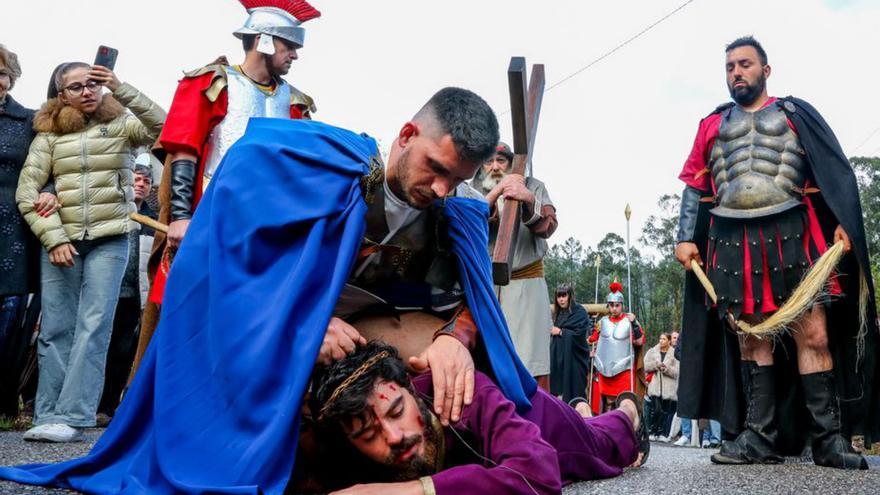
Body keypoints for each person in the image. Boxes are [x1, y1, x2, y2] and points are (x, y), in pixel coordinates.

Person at [0, 87, 535, 493]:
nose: (440, 189)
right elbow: (222, 250)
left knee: (480, 389)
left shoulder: (453, 212)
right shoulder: (319, 162)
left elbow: (474, 298)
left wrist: (453, 337)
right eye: (435, 169)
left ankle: (607, 422)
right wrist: (303, 321)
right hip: (276, 335)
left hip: (369, 337)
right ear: (405, 135)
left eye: (456, 178)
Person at [674, 36, 878, 469]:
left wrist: (843, 220)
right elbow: (695, 184)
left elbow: (833, 170)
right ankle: (757, 438)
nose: (736, 73)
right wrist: (684, 236)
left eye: (744, 64)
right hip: (731, 239)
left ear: (765, 70)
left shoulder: (795, 115)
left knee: (815, 334)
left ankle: (828, 439)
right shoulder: (712, 124)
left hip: (794, 232)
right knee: (752, 337)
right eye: (729, 66)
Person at [128, 0, 321, 382]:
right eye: (288, 45)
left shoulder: (295, 102)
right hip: (207, 222)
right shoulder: (210, 83)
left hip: (266, 232)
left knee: (248, 321)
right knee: (186, 314)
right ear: (264, 42)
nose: (295, 55)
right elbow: (184, 148)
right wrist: (181, 216)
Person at [14, 61, 165, 443]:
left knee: (94, 325)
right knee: (56, 326)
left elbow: (164, 126)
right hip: (62, 240)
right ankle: (46, 413)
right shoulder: (47, 136)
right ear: (61, 94)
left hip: (110, 237)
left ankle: (73, 415)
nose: (88, 91)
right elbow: (27, 194)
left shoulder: (122, 125)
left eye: (95, 84)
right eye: (77, 86)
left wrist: (122, 86)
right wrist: (54, 237)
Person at [312, 340, 647, 495]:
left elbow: (539, 475)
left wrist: (411, 492)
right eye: (369, 436)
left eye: (397, 411)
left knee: (605, 442)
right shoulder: (343, 452)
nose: (394, 436)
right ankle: (584, 410)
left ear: (412, 390)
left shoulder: (460, 391)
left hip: (544, 424)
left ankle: (626, 410)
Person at [474, 142, 558, 389]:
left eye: (501, 161)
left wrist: (529, 201)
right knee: (485, 360)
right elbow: (463, 222)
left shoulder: (534, 186)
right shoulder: (472, 189)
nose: (495, 167)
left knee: (530, 360)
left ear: (512, 163)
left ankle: (535, 420)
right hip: (485, 289)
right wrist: (496, 193)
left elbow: (549, 226)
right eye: (489, 162)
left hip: (526, 288)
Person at [0, 44, 46, 422]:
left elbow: (50, 169)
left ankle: (4, 401)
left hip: (13, 233)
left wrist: (48, 194)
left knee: (10, 318)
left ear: (11, 78)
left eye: (1, 73)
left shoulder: (30, 121)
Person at [97, 160, 157, 424]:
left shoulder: (154, 220)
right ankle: (86, 404)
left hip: (134, 297)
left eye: (146, 182)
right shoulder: (112, 210)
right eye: (137, 180)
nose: (141, 185)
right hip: (105, 291)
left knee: (122, 353)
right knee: (97, 347)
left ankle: (107, 409)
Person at [588, 281, 646, 412]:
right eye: (611, 305)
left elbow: (639, 341)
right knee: (607, 402)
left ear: (622, 306)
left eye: (617, 305)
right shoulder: (602, 322)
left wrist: (635, 325)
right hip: (604, 368)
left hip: (623, 369)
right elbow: (592, 340)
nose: (614, 308)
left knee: (623, 401)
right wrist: (590, 325)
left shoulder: (630, 321)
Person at [549, 283, 592, 404]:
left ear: (570, 296)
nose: (561, 299)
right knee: (558, 396)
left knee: (575, 395)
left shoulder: (580, 312)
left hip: (575, 361)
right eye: (559, 296)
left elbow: (579, 335)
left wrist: (561, 332)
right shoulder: (557, 314)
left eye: (564, 296)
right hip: (558, 360)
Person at [644, 333, 679, 441]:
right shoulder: (652, 351)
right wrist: (655, 365)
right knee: (657, 409)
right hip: (655, 386)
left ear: (669, 341)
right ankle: (653, 430)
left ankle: (663, 433)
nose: (661, 341)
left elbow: (677, 371)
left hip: (669, 388)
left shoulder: (674, 354)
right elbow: (645, 366)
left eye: (663, 339)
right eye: (660, 338)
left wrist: (666, 369)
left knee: (666, 411)